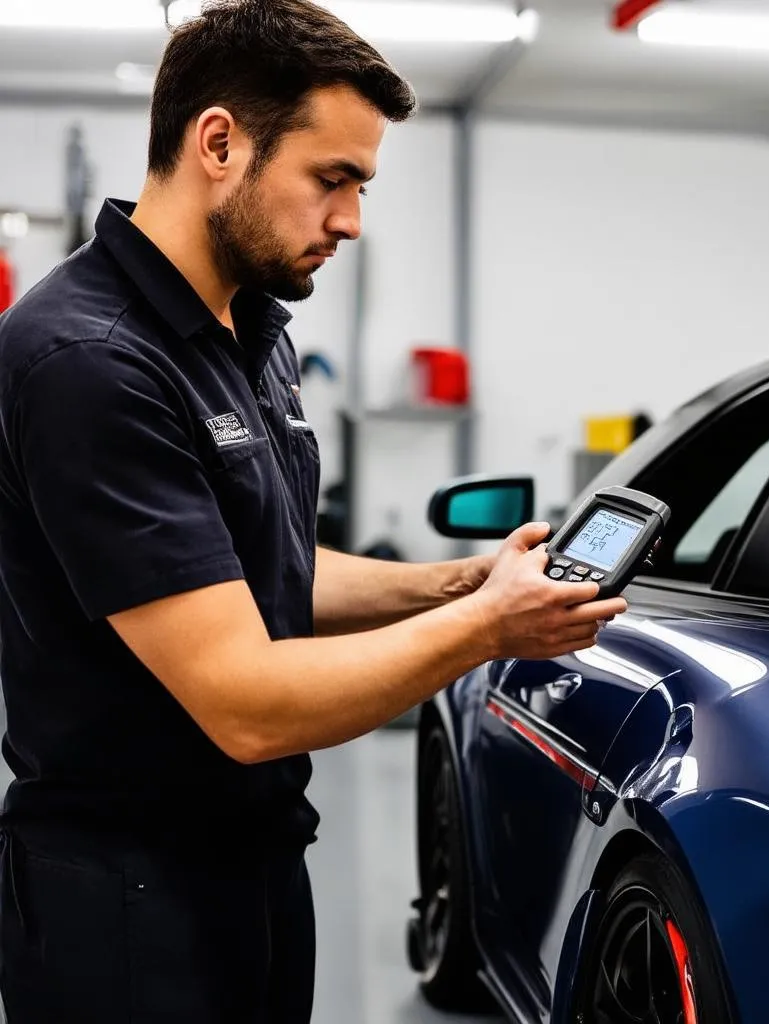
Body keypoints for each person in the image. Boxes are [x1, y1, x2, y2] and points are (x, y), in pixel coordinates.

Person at [0, 1, 626, 1021]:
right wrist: (485, 627)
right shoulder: (92, 360)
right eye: (332, 179)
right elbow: (244, 702)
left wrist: (455, 580)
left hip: (250, 861)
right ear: (219, 143)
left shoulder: (252, 332)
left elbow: (260, 564)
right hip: (121, 906)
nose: (349, 220)